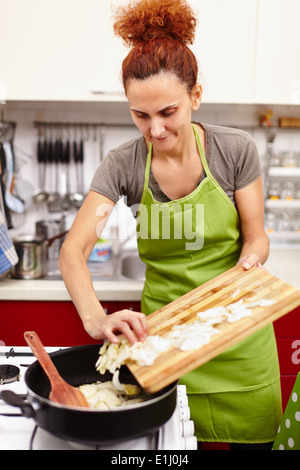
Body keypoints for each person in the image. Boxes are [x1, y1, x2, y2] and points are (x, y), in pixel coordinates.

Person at [59, 0, 282, 449]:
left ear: (195, 97)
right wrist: (96, 319)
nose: (155, 130)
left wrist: (246, 268)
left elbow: (257, 236)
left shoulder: (234, 151)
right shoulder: (123, 164)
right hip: (163, 347)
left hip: (238, 339)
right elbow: (74, 251)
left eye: (168, 112)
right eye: (140, 115)